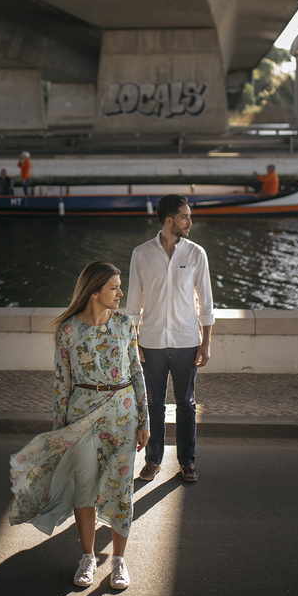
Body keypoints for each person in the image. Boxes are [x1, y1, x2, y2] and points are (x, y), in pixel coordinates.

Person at [9, 261, 149, 590]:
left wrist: (146, 420)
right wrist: (58, 433)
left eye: (119, 286)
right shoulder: (68, 331)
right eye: (114, 287)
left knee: (120, 489)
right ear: (95, 291)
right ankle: (87, 556)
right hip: (81, 417)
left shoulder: (126, 325)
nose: (120, 293)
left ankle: (118, 560)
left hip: (123, 416)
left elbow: (138, 374)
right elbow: (61, 385)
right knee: (83, 490)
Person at [126, 193, 213, 484]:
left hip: (187, 340)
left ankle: (187, 462)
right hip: (151, 341)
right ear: (169, 220)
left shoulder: (196, 253)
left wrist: (206, 341)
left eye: (189, 216)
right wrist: (133, 342)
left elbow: (206, 302)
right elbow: (133, 304)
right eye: (185, 216)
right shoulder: (141, 253)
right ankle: (153, 460)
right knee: (154, 405)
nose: (190, 221)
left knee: (186, 404)